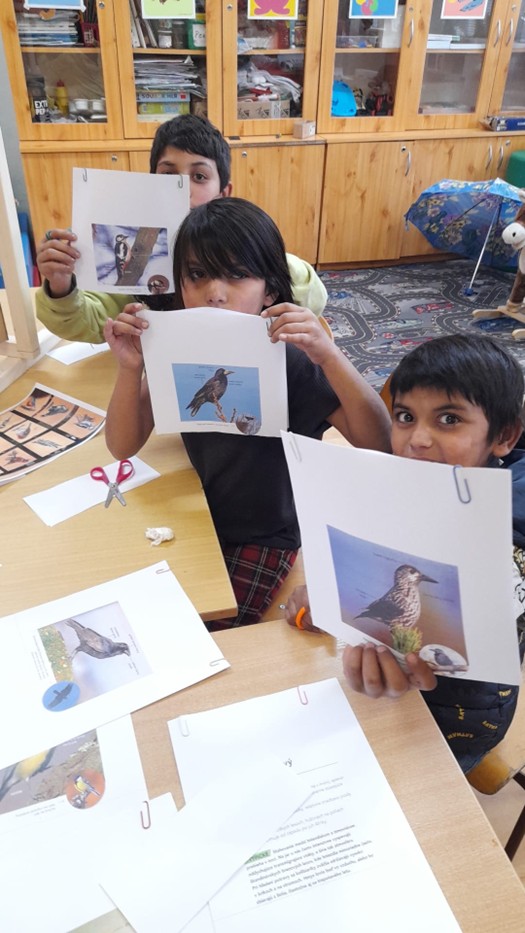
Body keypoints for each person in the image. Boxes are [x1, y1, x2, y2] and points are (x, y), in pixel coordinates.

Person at [103, 197, 391, 628]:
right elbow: (122, 445)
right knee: (129, 607)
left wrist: (329, 356)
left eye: (236, 275)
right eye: (197, 275)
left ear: (269, 290)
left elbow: (380, 442)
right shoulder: (180, 347)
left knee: (205, 630)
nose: (214, 293)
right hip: (199, 516)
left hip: (267, 535)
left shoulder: (291, 357)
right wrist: (130, 368)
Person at [285, 334, 525, 774]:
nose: (418, 439)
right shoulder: (415, 484)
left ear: (504, 435)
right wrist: (328, 598)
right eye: (405, 417)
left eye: (449, 419)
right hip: (384, 683)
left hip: (465, 717)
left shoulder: (504, 526)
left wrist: (397, 656)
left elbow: (490, 606)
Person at [35, 114, 327, 343]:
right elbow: (88, 323)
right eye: (168, 175)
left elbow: (312, 301)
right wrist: (60, 284)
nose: (182, 188)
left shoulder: (244, 248)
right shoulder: (138, 255)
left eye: (199, 176)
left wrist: (264, 261)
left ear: (223, 193)